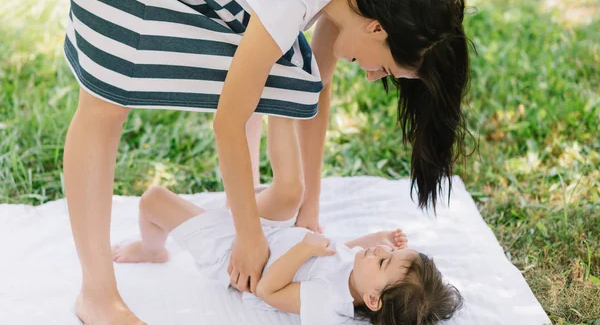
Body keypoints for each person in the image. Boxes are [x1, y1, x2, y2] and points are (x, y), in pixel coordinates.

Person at [62, 0, 472, 323]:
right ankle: (97, 296)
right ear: (378, 28)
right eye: (384, 67)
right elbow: (228, 122)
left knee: (277, 76)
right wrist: (249, 234)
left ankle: (235, 205)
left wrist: (308, 208)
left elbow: (316, 91)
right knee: (107, 96)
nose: (370, 76)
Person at [112, 115, 464, 324]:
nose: (378, 251)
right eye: (387, 251)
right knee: (290, 190)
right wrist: (377, 237)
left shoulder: (328, 301)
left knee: (153, 199)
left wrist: (304, 249)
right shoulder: (356, 272)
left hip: (235, 257)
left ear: (372, 300)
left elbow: (268, 291)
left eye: (384, 259)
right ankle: (280, 104)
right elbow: (342, 249)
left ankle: (151, 248)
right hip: (271, 233)